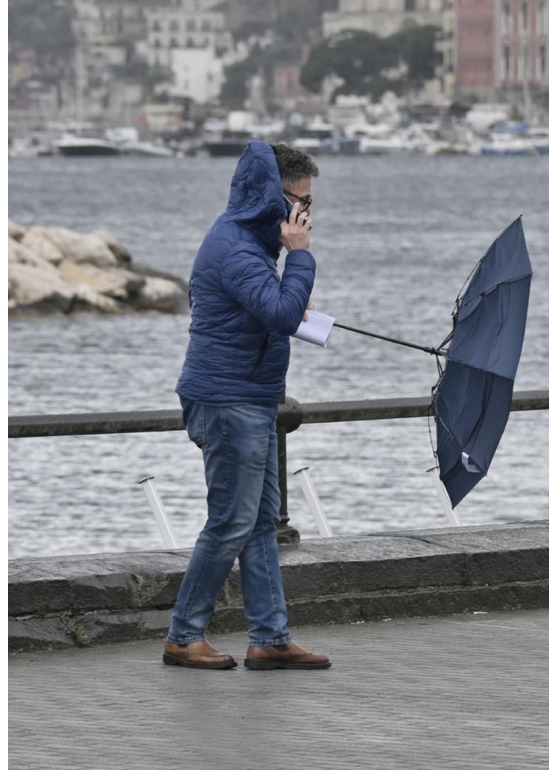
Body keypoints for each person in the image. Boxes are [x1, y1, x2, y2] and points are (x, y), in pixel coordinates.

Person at [164, 141, 330, 671]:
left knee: (259, 523)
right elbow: (280, 316)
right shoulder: (235, 247)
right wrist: (300, 255)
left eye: (309, 206)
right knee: (231, 523)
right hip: (226, 400)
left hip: (248, 397)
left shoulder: (253, 246)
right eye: (298, 202)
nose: (303, 215)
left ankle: (270, 638)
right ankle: (183, 635)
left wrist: (291, 288)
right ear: (270, 195)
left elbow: (274, 310)